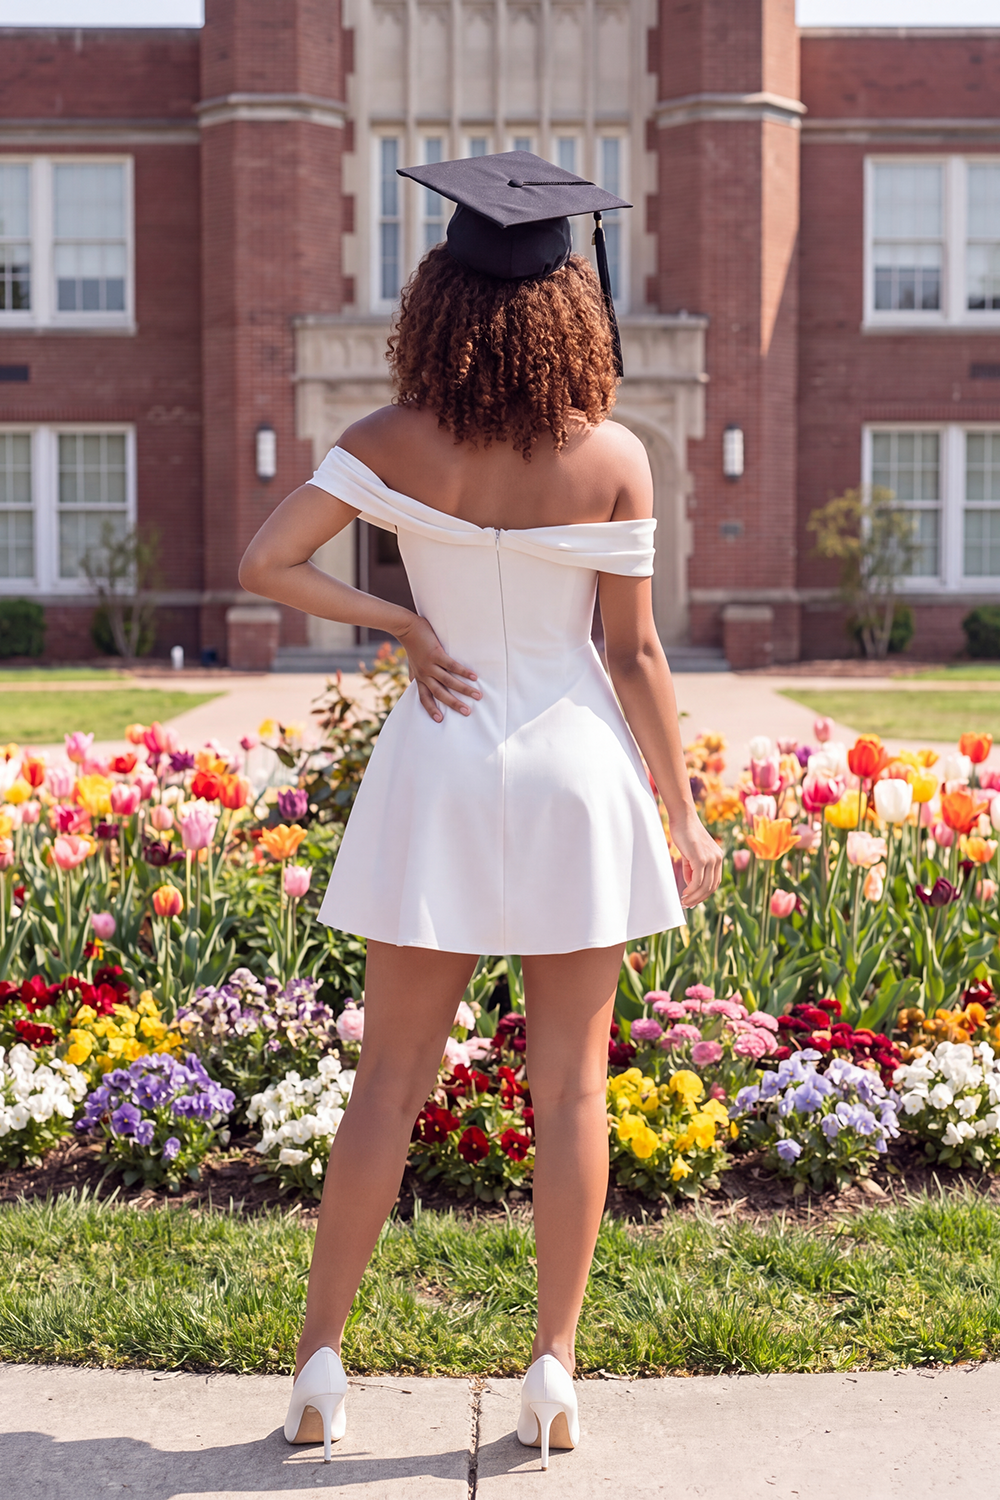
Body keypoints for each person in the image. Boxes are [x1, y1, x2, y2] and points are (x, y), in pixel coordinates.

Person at [238, 151, 722, 1470]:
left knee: (388, 1078)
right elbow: (634, 656)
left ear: (439, 302)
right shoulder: (616, 455)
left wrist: (397, 615)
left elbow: (266, 561)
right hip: (573, 768)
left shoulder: (392, 440)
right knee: (570, 1085)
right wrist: (683, 815)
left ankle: (320, 1369)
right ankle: (552, 1374)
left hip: (442, 759)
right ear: (575, 307)